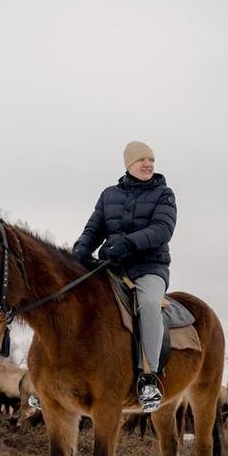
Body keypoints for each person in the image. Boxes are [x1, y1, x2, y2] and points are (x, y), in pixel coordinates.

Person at [72, 141, 177, 412]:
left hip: (149, 268)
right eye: (141, 160)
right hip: (112, 267)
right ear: (128, 164)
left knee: (149, 305)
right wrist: (82, 248)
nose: (148, 164)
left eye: (151, 160)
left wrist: (128, 244)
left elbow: (162, 229)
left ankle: (149, 378)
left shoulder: (164, 194)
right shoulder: (109, 195)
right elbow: (94, 228)